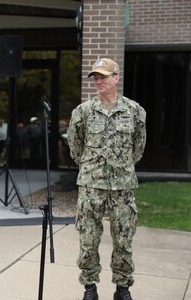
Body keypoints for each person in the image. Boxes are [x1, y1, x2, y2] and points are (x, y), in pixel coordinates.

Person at [67, 58, 146, 300]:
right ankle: (90, 288)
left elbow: (138, 149)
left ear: (116, 78)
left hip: (123, 187)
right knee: (88, 240)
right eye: (95, 77)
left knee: (123, 239)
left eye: (103, 76)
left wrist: (119, 168)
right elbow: (75, 148)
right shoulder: (83, 112)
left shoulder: (134, 111)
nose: (98, 81)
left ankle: (122, 289)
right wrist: (93, 169)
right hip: (91, 186)